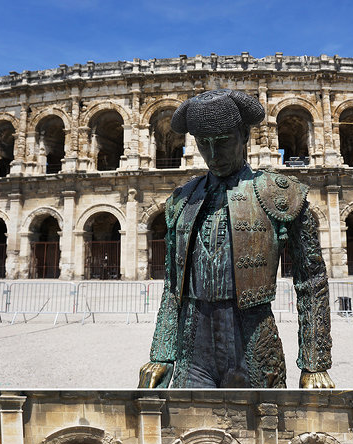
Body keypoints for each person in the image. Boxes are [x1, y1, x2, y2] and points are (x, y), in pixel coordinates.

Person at [138, 88, 333, 390]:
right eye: (204, 144)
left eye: (224, 142)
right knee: (193, 431)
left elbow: (312, 280)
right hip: (193, 344)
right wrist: (162, 355)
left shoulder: (281, 193)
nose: (213, 156)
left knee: (266, 432)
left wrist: (315, 363)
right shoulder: (181, 200)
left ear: (244, 136)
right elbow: (173, 285)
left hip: (253, 342)